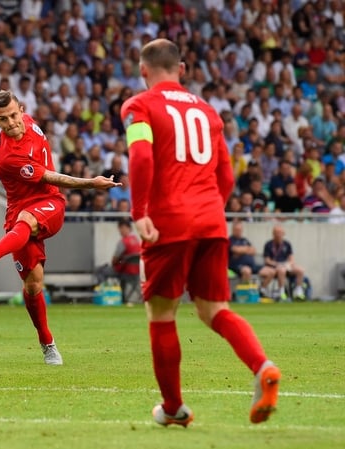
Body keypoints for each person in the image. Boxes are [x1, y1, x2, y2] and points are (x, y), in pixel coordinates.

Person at [120, 38, 280, 427]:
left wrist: (139, 211)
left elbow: (140, 156)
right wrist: (207, 210)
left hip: (167, 223)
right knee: (215, 311)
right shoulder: (209, 113)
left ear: (144, 71)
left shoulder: (139, 106)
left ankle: (173, 408)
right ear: (183, 69)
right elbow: (226, 175)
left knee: (161, 313)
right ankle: (263, 367)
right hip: (211, 220)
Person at [0, 90, 120, 366]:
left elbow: (51, 182)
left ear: (21, 109)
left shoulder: (30, 121)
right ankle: (48, 343)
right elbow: (50, 174)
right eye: (3, 119)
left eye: (14, 115)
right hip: (19, 211)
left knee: (28, 218)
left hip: (50, 203)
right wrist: (90, 183)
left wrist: (90, 183)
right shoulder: (7, 157)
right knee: (33, 285)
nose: (11, 122)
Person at [261, 224, 306, 301]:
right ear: (273, 234)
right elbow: (267, 260)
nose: (278, 235)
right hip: (274, 266)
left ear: (283, 234)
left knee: (300, 270)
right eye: (276, 233)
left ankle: (298, 291)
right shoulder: (268, 244)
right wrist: (277, 264)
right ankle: (281, 291)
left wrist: (289, 264)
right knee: (282, 270)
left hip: (286, 265)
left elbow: (291, 259)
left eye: (280, 233)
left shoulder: (287, 244)